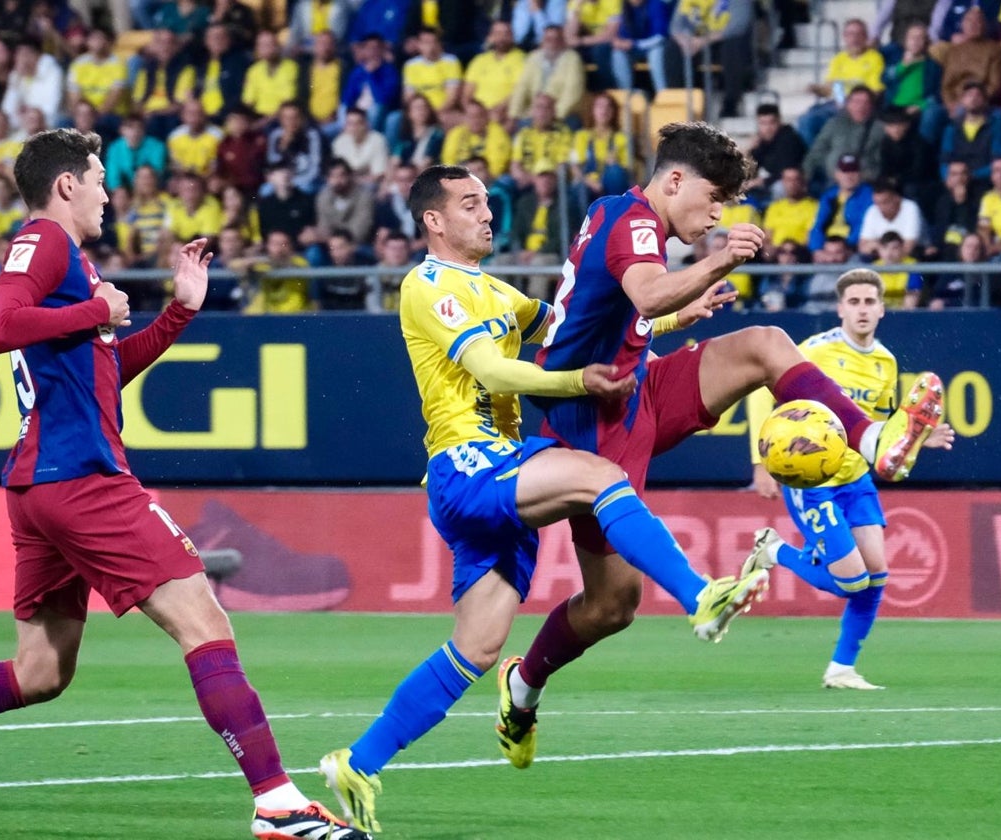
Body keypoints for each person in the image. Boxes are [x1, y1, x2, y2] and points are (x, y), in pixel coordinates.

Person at [0, 129, 366, 840]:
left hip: (41, 486)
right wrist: (99, 309)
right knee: (205, 623)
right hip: (83, 479)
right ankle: (278, 805)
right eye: (98, 177)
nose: (108, 191)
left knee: (39, 671)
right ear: (66, 185)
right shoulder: (44, 242)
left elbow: (103, 372)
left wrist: (179, 312)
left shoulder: (68, 260)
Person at [318, 163, 770, 832]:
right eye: (469, 204)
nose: (485, 212)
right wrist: (580, 384)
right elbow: (494, 369)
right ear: (433, 221)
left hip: (497, 475)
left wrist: (679, 315)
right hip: (469, 464)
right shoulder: (427, 285)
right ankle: (700, 595)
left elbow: (570, 333)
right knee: (598, 476)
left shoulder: (496, 290)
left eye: (487, 203)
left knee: (475, 648)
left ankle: (357, 762)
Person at [498, 122, 947, 767]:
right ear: (674, 180)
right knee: (613, 606)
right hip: (586, 427)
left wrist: (681, 314)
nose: (715, 214)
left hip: (639, 387)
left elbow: (630, 310)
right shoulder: (632, 222)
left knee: (765, 342)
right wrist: (721, 256)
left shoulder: (624, 219)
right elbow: (647, 291)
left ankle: (873, 437)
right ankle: (525, 683)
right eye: (713, 198)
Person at [744, 268, 955, 689]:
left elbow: (875, 425)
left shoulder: (885, 362)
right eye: (853, 302)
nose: (862, 309)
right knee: (851, 580)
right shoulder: (814, 351)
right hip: (813, 478)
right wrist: (760, 460)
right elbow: (760, 390)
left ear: (882, 309)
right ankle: (774, 551)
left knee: (875, 577)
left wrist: (918, 440)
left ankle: (841, 668)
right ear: (840, 308)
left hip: (855, 477)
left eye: (869, 302)